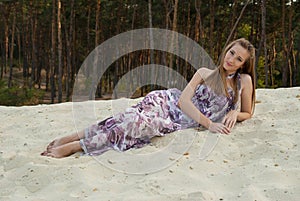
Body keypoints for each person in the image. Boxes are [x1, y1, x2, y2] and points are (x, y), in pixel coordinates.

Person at [41, 38, 256, 158]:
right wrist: (209, 124)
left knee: (134, 123)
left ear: (243, 65)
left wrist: (235, 112)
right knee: (130, 117)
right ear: (226, 50)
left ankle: (78, 144)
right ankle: (74, 139)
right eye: (231, 53)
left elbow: (249, 111)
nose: (231, 59)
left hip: (180, 120)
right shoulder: (203, 73)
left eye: (238, 59)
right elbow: (183, 101)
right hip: (167, 102)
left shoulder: (243, 81)